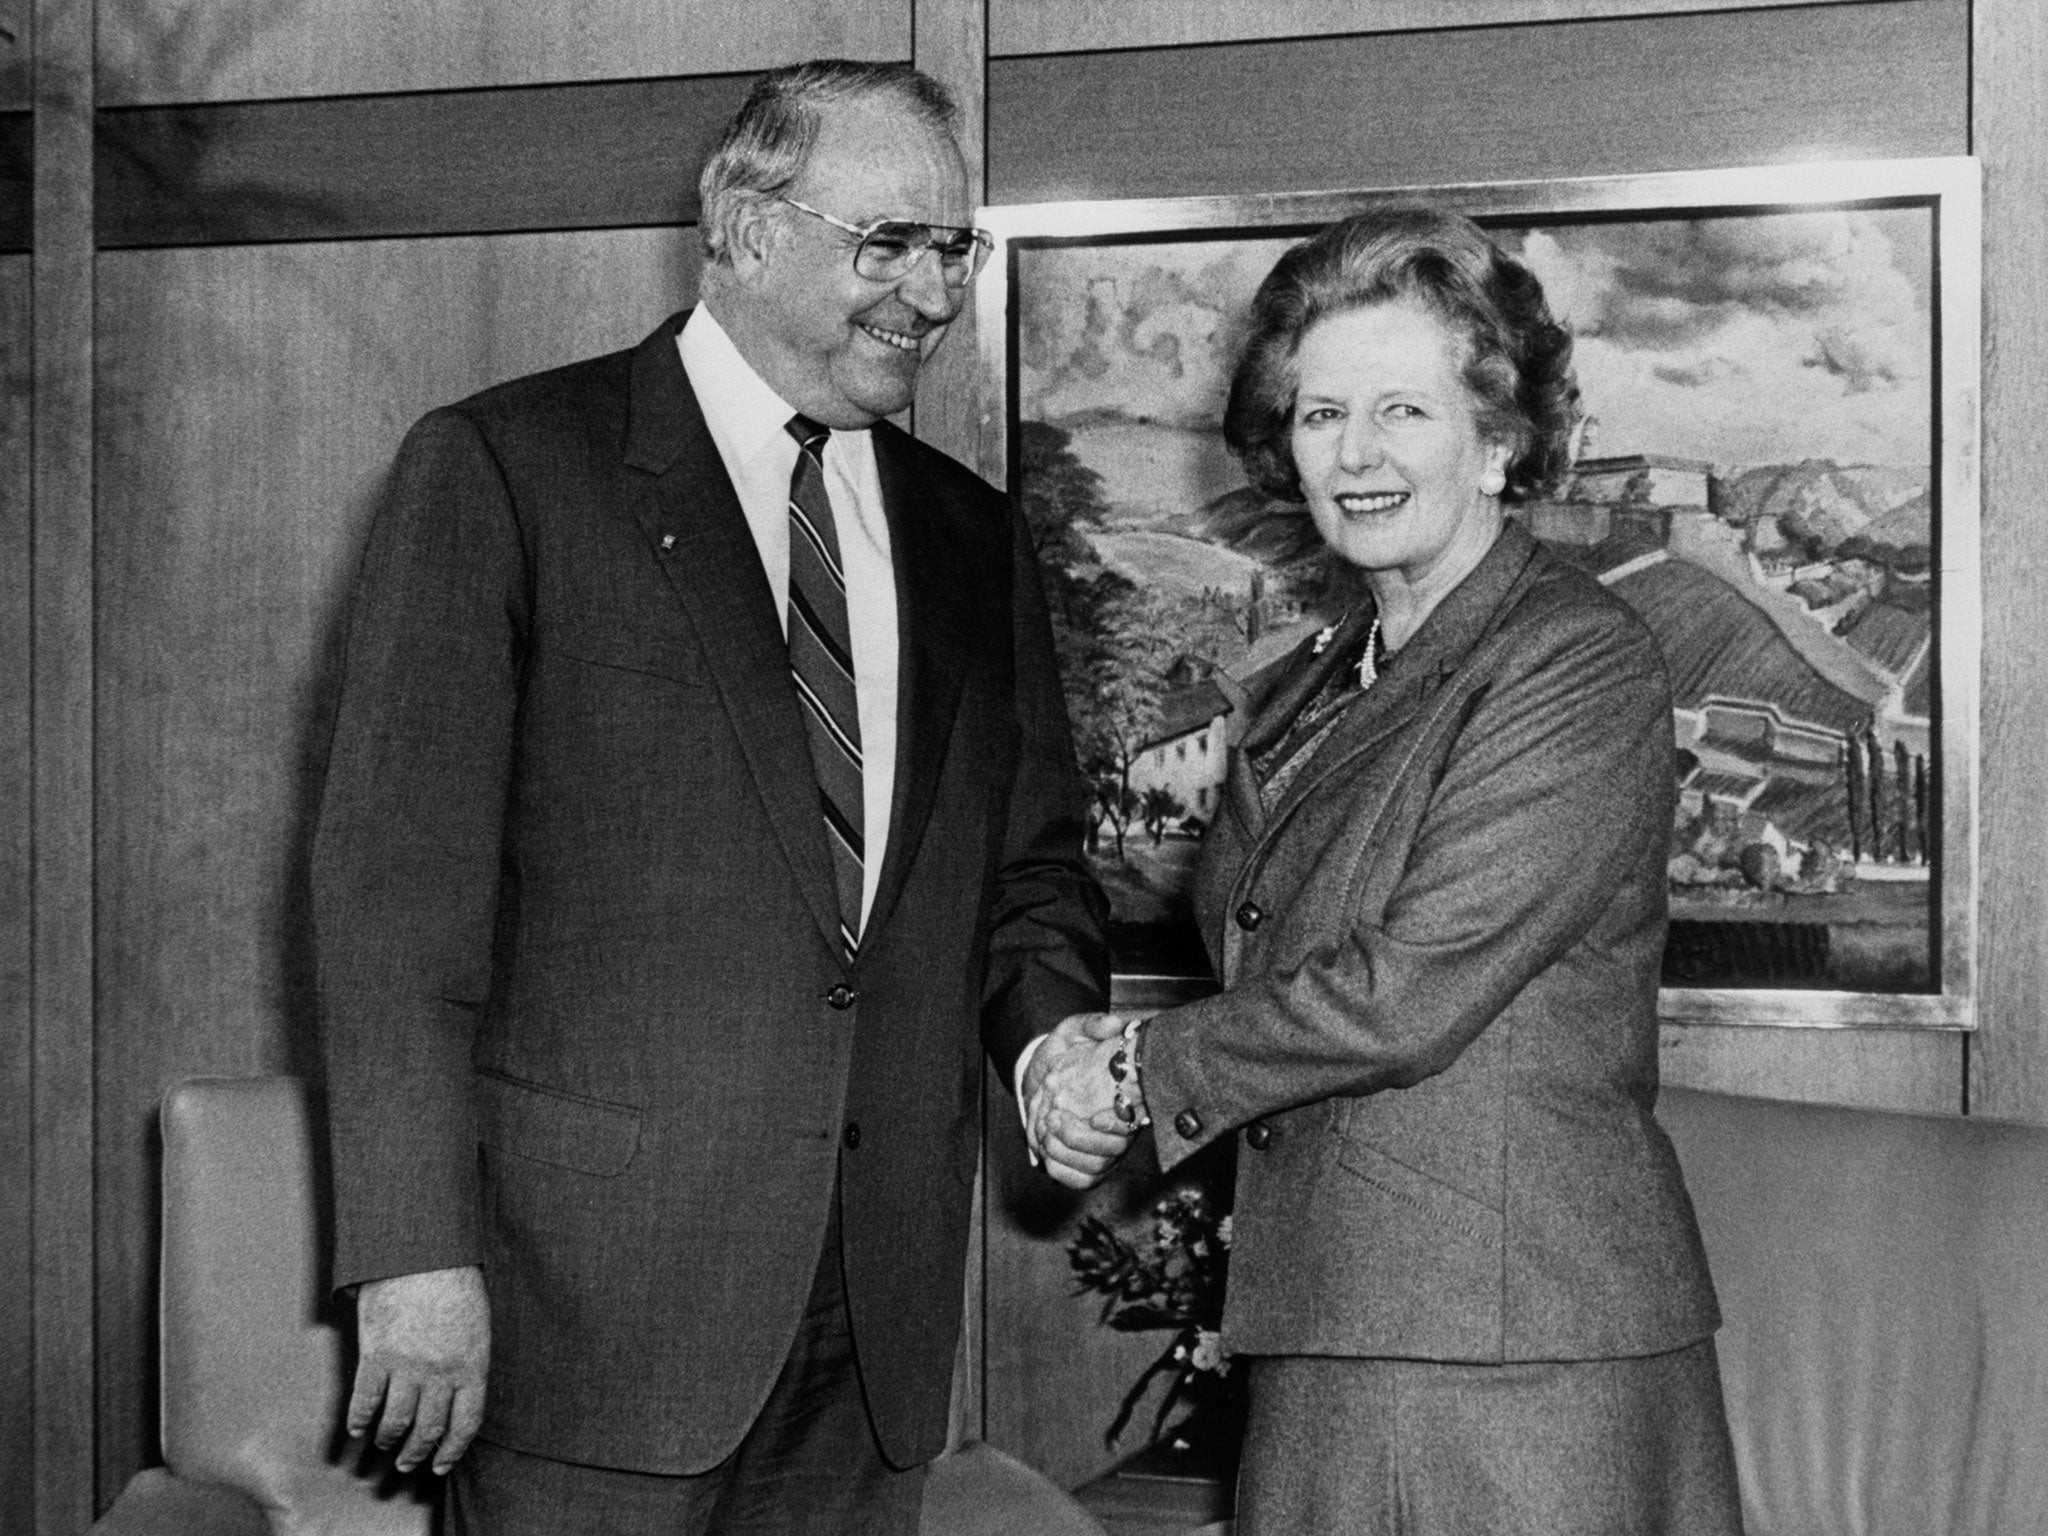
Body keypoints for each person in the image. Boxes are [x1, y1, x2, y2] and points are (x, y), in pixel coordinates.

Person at [313, 59, 1120, 1536]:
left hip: (869, 1325)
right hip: (591, 1323)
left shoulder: (971, 535)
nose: (934, 296)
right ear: (744, 229)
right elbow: (393, 910)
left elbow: (1030, 874)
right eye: (891, 244)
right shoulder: (504, 470)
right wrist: (413, 1255)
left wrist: (1049, 1040)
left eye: (955, 248)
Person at [1028, 207, 1744, 1534]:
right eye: (1317, 415)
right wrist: (1109, 1072)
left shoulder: (1572, 659)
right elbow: (1266, 951)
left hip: (1513, 1357)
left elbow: (1408, 989)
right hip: (1337, 1321)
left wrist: (1130, 1070)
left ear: (1500, 439)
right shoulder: (1309, 681)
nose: (1352, 453)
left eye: (1402, 412)